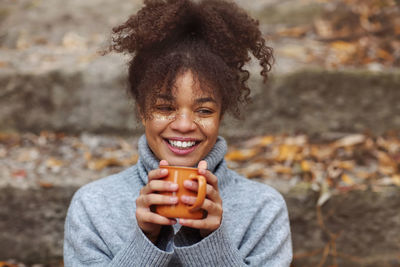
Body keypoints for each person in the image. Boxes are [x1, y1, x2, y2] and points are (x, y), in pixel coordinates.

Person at [63, 0, 292, 266]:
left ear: (221, 115)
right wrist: (145, 242)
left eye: (204, 111)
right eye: (165, 107)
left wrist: (212, 241)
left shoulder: (264, 210)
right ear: (141, 111)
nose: (184, 124)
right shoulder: (93, 207)